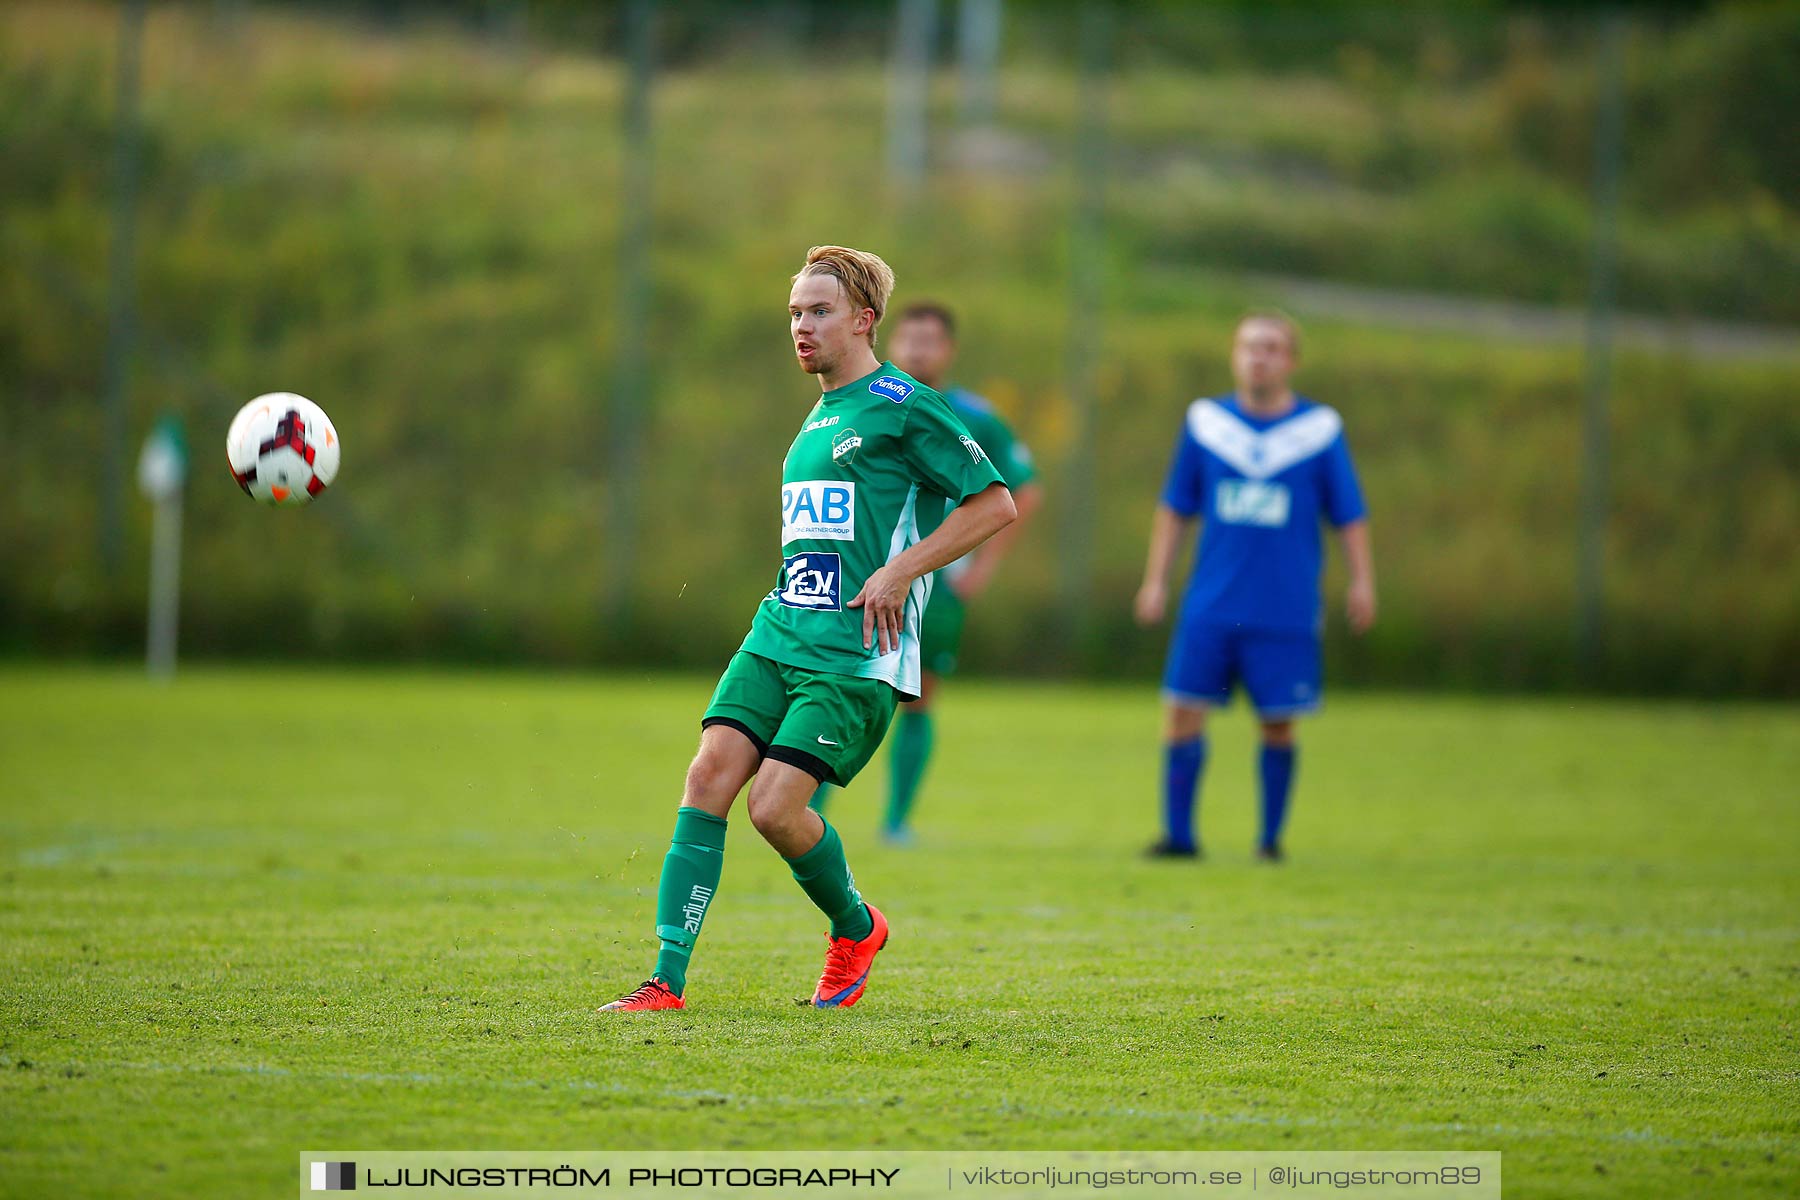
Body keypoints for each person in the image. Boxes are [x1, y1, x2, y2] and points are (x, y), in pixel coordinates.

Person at [601, 246, 1016, 1012]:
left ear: (864, 320)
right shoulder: (820, 412)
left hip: (855, 652)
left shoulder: (903, 403)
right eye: (794, 313)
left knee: (773, 809)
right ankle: (666, 979)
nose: (801, 326)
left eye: (818, 311)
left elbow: (994, 505)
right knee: (707, 777)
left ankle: (855, 927)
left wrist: (900, 572)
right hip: (779, 631)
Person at [1134, 312, 1376, 862]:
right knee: (1182, 711)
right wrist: (1155, 582)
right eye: (1248, 347)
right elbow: (1175, 507)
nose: (1257, 357)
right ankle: (1179, 837)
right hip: (1212, 604)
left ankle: (1269, 842)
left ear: (1290, 360)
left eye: (1270, 348)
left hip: (1285, 608)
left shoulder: (1318, 430)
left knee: (1277, 723)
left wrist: (1362, 583)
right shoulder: (1206, 423)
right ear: (1233, 355)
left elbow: (1349, 514)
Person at [808, 302, 1042, 843]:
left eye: (930, 341)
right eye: (908, 339)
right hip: (854, 576)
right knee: (833, 684)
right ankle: (807, 808)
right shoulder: (860, 404)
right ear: (887, 340)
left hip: (934, 582)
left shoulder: (973, 416)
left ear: (950, 350)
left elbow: (1019, 492)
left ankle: (895, 822)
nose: (917, 350)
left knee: (919, 692)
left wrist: (983, 566)